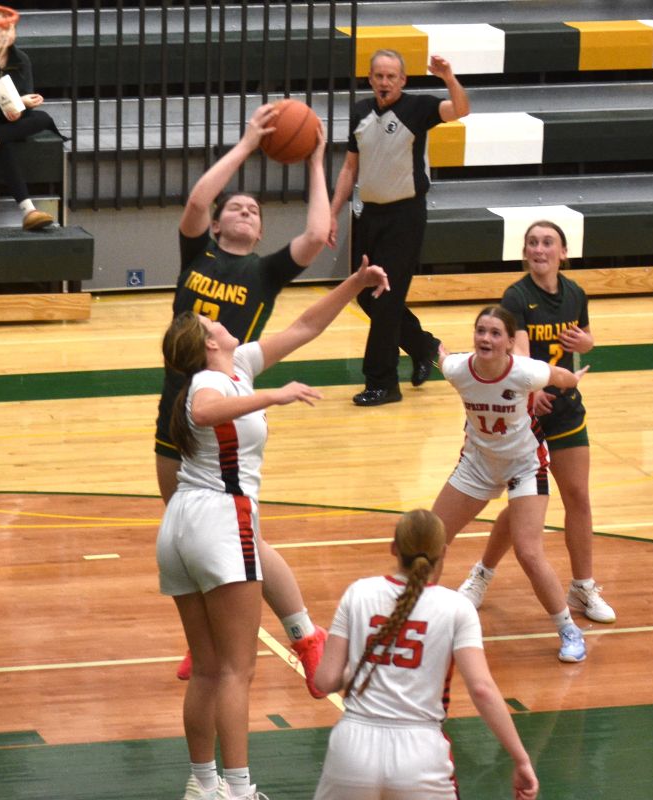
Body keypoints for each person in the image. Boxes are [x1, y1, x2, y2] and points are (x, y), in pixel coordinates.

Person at [158, 259, 390, 800]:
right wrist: (274, 395)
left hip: (181, 524)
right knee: (237, 670)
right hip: (220, 518)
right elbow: (207, 409)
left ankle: (202, 784)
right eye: (210, 322)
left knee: (209, 670)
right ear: (208, 342)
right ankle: (238, 791)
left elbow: (305, 326)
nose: (220, 321)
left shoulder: (236, 361)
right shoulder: (209, 380)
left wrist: (353, 285)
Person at [156, 104, 332, 695]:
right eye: (238, 205)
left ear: (258, 233)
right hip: (174, 410)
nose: (245, 209)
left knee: (246, 537)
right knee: (187, 526)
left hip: (225, 410)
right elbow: (196, 203)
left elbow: (316, 234)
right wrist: (247, 144)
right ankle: (204, 635)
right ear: (221, 223)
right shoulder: (196, 254)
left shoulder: (264, 272)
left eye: (254, 210)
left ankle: (306, 635)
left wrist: (314, 157)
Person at [312, 509, 539, 800]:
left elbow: (325, 681)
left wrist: (348, 662)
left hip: (352, 749)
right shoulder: (456, 607)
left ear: (394, 548)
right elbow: (482, 689)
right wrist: (520, 759)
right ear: (442, 552)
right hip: (420, 753)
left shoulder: (358, 593)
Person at [458, 221, 616, 625]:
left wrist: (589, 343)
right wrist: (533, 391)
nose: (539, 249)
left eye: (548, 243)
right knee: (520, 509)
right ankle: (482, 572)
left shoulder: (575, 293)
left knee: (578, 496)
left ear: (563, 252)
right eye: (532, 243)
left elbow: (583, 342)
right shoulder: (517, 296)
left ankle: (583, 586)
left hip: (567, 409)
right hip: (527, 417)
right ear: (525, 252)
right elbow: (521, 355)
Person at [431, 305, 590, 663]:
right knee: (432, 539)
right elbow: (441, 358)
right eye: (481, 331)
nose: (485, 338)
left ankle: (568, 628)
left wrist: (575, 379)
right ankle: (423, 620)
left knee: (529, 552)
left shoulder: (525, 372)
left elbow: (561, 376)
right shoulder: (458, 368)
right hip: (477, 464)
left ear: (508, 343)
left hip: (524, 464)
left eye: (494, 333)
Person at [329, 49, 470, 406]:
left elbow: (461, 110)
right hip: (370, 216)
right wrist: (331, 213)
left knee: (386, 298)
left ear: (402, 81)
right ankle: (425, 348)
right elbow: (349, 169)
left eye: (391, 76)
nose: (384, 82)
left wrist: (448, 78)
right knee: (364, 293)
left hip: (405, 217)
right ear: (370, 79)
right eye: (379, 76)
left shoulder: (418, 108)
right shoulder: (360, 112)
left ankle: (382, 383)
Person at [0, 16, 64, 231]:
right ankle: (29, 210)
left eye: (9, 29)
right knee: (3, 142)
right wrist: (16, 104)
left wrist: (23, 105)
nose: (5, 34)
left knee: (44, 118)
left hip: (13, 118)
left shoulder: (22, 59)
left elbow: (26, 94)